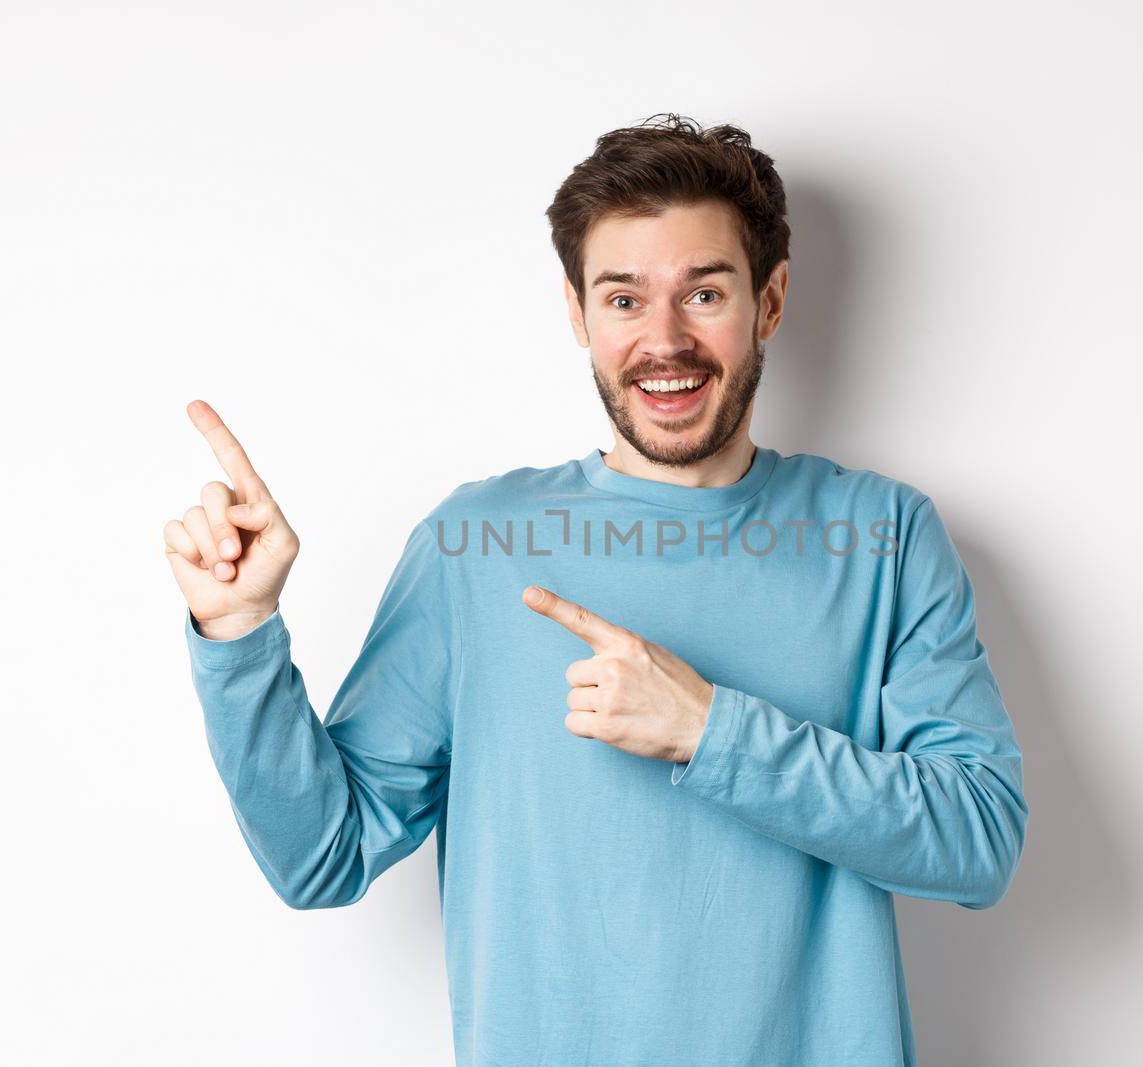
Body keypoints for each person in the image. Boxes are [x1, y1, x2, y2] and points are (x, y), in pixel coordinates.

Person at [164, 112, 1027, 1067]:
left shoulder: (884, 537)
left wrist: (711, 731)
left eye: (703, 292)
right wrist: (239, 633)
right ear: (578, 314)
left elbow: (979, 838)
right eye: (624, 299)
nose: (665, 340)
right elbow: (320, 856)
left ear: (770, 302)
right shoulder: (476, 545)